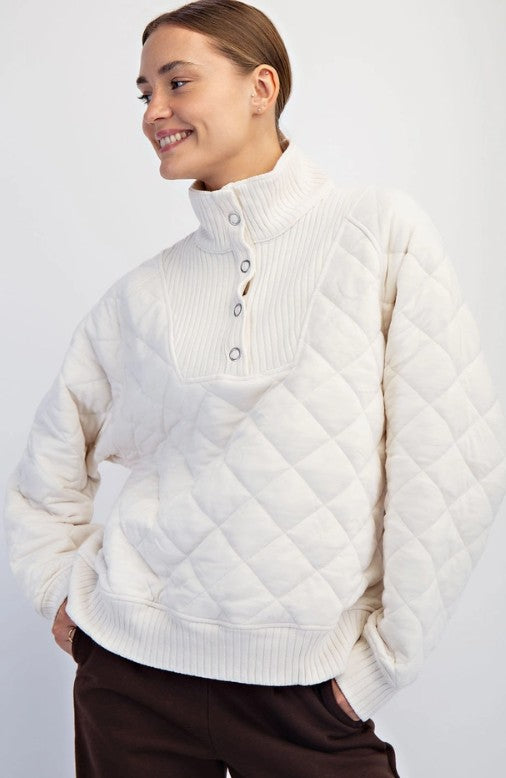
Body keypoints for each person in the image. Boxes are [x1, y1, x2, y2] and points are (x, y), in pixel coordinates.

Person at [3, 0, 506, 776]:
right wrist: (60, 596)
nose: (154, 111)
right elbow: (47, 472)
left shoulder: (377, 233)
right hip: (132, 683)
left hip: (308, 693)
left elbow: (452, 463)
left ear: (260, 87)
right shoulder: (142, 295)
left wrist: (380, 668)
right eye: (144, 92)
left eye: (178, 82)